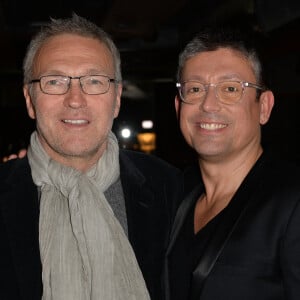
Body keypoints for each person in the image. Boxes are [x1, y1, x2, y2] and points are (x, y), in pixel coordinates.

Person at [0, 14, 183, 300]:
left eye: (95, 81)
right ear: (29, 100)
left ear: (117, 98)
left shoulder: (171, 189)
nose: (75, 99)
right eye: (55, 81)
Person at [164, 26, 300, 299]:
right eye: (195, 89)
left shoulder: (292, 202)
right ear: (179, 107)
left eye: (230, 88)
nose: (209, 105)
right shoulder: (176, 196)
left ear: (264, 107)